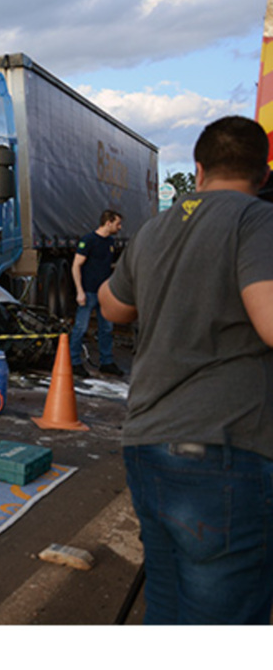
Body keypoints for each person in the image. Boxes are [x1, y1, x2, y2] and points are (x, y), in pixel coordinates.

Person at [99, 115, 273, 624]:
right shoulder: (256, 221)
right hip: (225, 449)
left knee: (170, 609)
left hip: (149, 445)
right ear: (261, 174)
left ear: (197, 170)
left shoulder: (155, 229)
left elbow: (112, 306)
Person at [70, 210, 123, 378]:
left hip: (104, 293)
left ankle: (106, 362)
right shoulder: (88, 240)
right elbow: (76, 265)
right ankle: (74, 362)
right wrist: (80, 291)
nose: (119, 227)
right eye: (117, 224)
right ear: (108, 223)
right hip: (88, 292)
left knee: (106, 328)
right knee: (81, 327)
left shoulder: (110, 242)